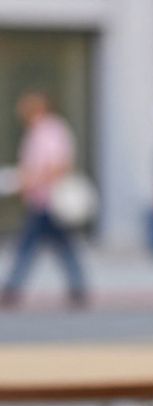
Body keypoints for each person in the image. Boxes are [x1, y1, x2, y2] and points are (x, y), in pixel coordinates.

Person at [2, 91, 87, 308]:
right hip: (40, 199)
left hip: (49, 200)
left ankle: (12, 288)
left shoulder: (50, 131)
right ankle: (77, 287)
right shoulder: (36, 132)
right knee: (61, 245)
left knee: (30, 245)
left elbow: (58, 165)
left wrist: (29, 181)